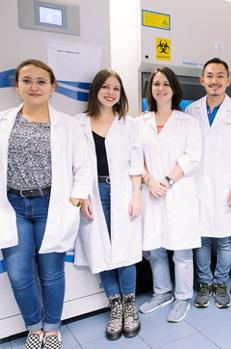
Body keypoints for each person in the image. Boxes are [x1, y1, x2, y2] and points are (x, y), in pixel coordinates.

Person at [0, 59, 92, 349]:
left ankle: (51, 328)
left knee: (51, 272)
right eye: (27, 80)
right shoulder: (3, 121)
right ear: (17, 86)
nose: (34, 86)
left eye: (42, 81)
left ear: (52, 87)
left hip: (50, 205)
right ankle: (33, 326)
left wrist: (74, 202)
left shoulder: (67, 124)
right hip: (12, 205)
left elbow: (84, 167)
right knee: (19, 273)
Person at [74, 69, 143, 340]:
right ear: (96, 90)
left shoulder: (129, 123)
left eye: (116, 88)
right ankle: (115, 306)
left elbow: (136, 163)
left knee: (125, 252)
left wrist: (137, 194)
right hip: (93, 191)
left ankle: (130, 306)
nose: (110, 92)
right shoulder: (78, 123)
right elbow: (74, 164)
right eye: (105, 87)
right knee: (100, 250)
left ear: (121, 94)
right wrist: (82, 197)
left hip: (123, 191)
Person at [186, 57, 231, 309]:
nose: (215, 80)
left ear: (228, 80)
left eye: (220, 76)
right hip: (198, 185)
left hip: (227, 184)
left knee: (225, 240)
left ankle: (220, 283)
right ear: (202, 80)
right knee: (201, 237)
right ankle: (204, 283)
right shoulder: (191, 110)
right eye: (210, 76)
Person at [137, 67, 202, 322]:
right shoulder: (139, 122)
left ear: (173, 89)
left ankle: (183, 296)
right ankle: (162, 292)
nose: (160, 88)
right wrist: (149, 180)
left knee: (182, 250)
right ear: (150, 89)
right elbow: (134, 157)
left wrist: (165, 180)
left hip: (178, 191)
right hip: (150, 190)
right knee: (155, 248)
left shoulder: (188, 122)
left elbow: (192, 156)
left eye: (165, 83)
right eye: (156, 84)